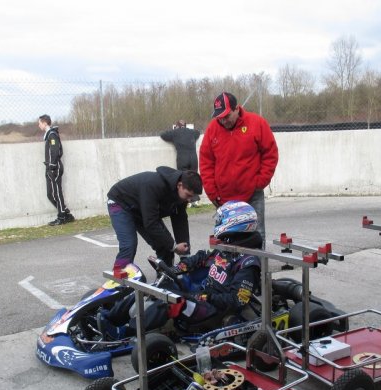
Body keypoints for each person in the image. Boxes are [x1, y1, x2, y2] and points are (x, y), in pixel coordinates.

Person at [105, 201, 263, 333]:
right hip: (202, 296)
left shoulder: (248, 263)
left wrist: (207, 297)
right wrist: (175, 270)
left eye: (221, 220)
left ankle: (127, 333)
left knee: (169, 302)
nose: (217, 223)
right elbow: (199, 259)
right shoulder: (228, 247)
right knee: (148, 289)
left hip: (214, 309)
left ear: (236, 222)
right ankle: (109, 319)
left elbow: (236, 301)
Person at [199, 92, 279, 245]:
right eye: (219, 117)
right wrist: (212, 192)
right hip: (223, 197)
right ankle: (230, 268)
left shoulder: (257, 123)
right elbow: (206, 163)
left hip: (252, 193)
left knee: (257, 233)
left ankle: (257, 268)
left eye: (227, 116)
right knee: (226, 236)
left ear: (236, 109)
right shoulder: (212, 130)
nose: (223, 120)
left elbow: (270, 153)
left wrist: (260, 181)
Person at [107, 166, 203, 270]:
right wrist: (174, 246)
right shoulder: (154, 184)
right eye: (188, 195)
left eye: (192, 197)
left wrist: (185, 255)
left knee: (165, 245)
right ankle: (118, 278)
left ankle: (167, 279)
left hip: (141, 208)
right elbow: (151, 223)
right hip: (120, 203)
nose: (189, 200)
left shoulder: (181, 195)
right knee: (129, 245)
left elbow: (180, 221)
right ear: (180, 185)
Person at [38, 114, 75, 226]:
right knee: (50, 194)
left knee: (57, 192)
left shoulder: (52, 135)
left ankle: (62, 216)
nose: (38, 125)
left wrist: (52, 165)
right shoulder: (48, 135)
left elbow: (55, 151)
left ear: (45, 123)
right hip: (50, 167)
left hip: (54, 168)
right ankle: (66, 213)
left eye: (39, 123)